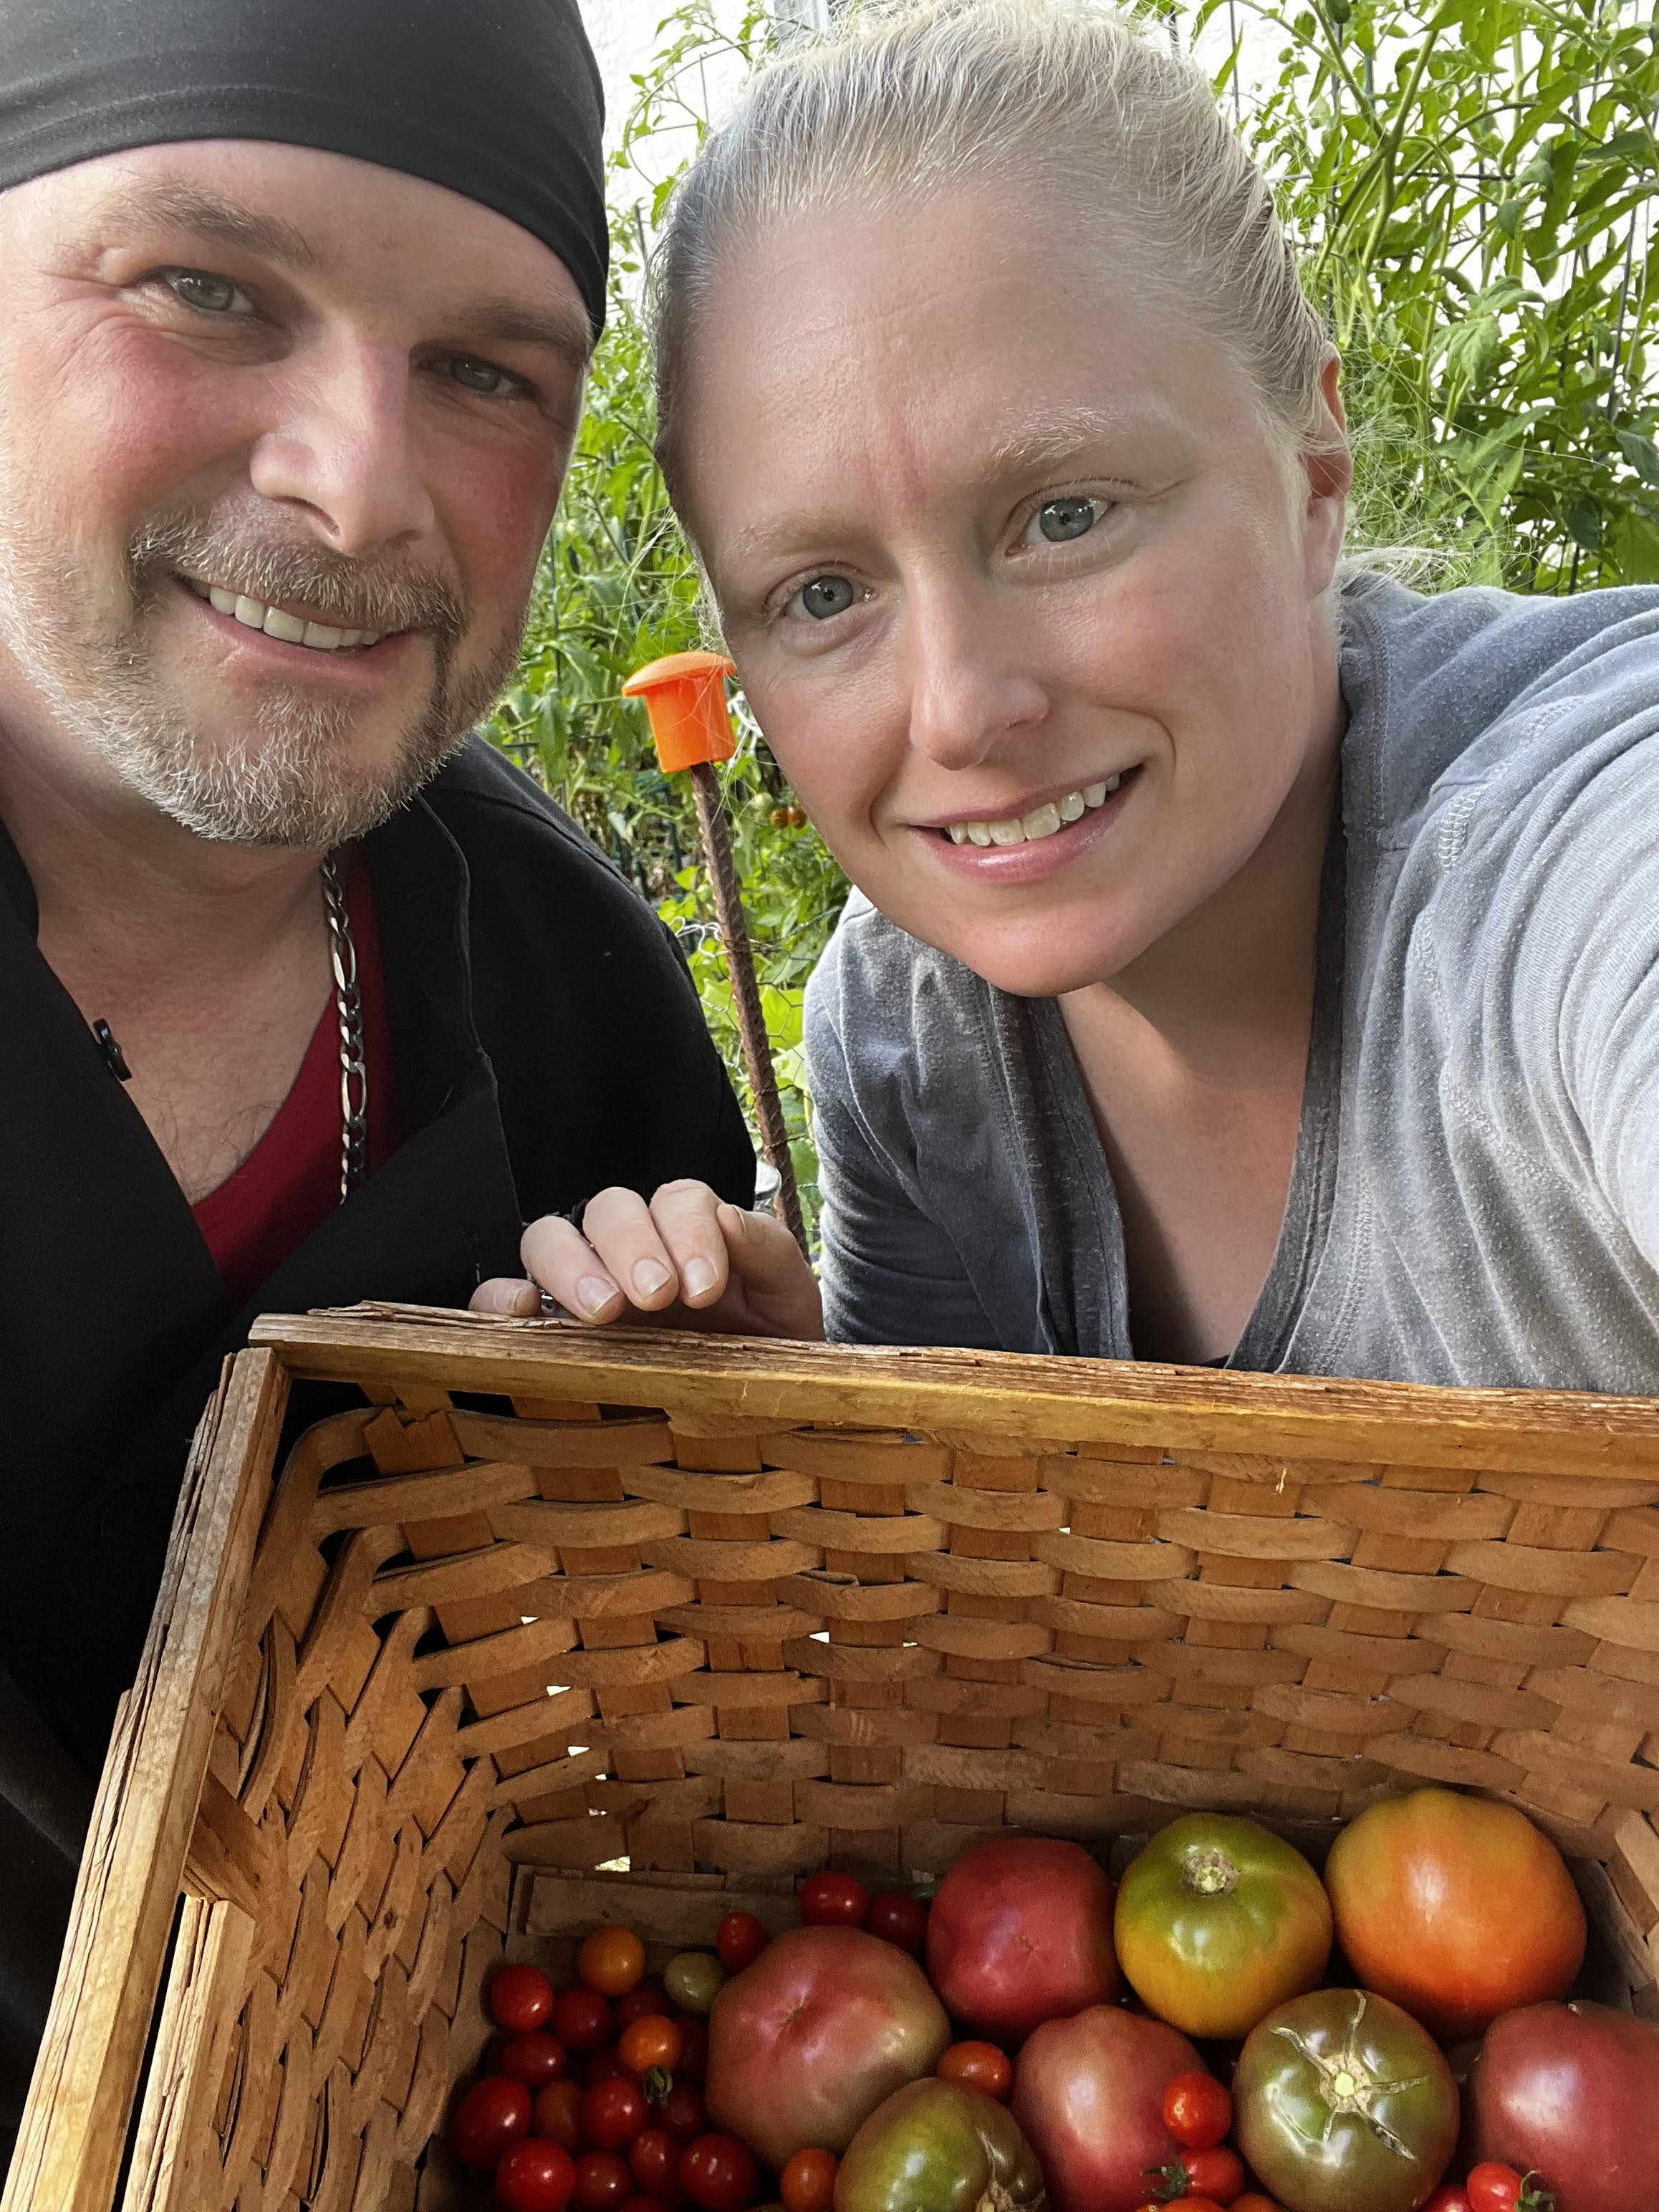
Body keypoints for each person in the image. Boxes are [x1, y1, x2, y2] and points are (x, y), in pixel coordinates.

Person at [0, 0, 809, 2148]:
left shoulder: (568, 992)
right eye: (206, 290)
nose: (354, 483)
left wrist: (734, 1444)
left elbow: (663, 1750)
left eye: (481, 371)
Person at [534, 0, 1659, 1393]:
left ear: (1313, 472)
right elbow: (982, 1575)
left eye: (1064, 514)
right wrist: (814, 1432)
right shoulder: (910, 1037)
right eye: (822, 593)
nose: (957, 711)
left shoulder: (1573, 838)